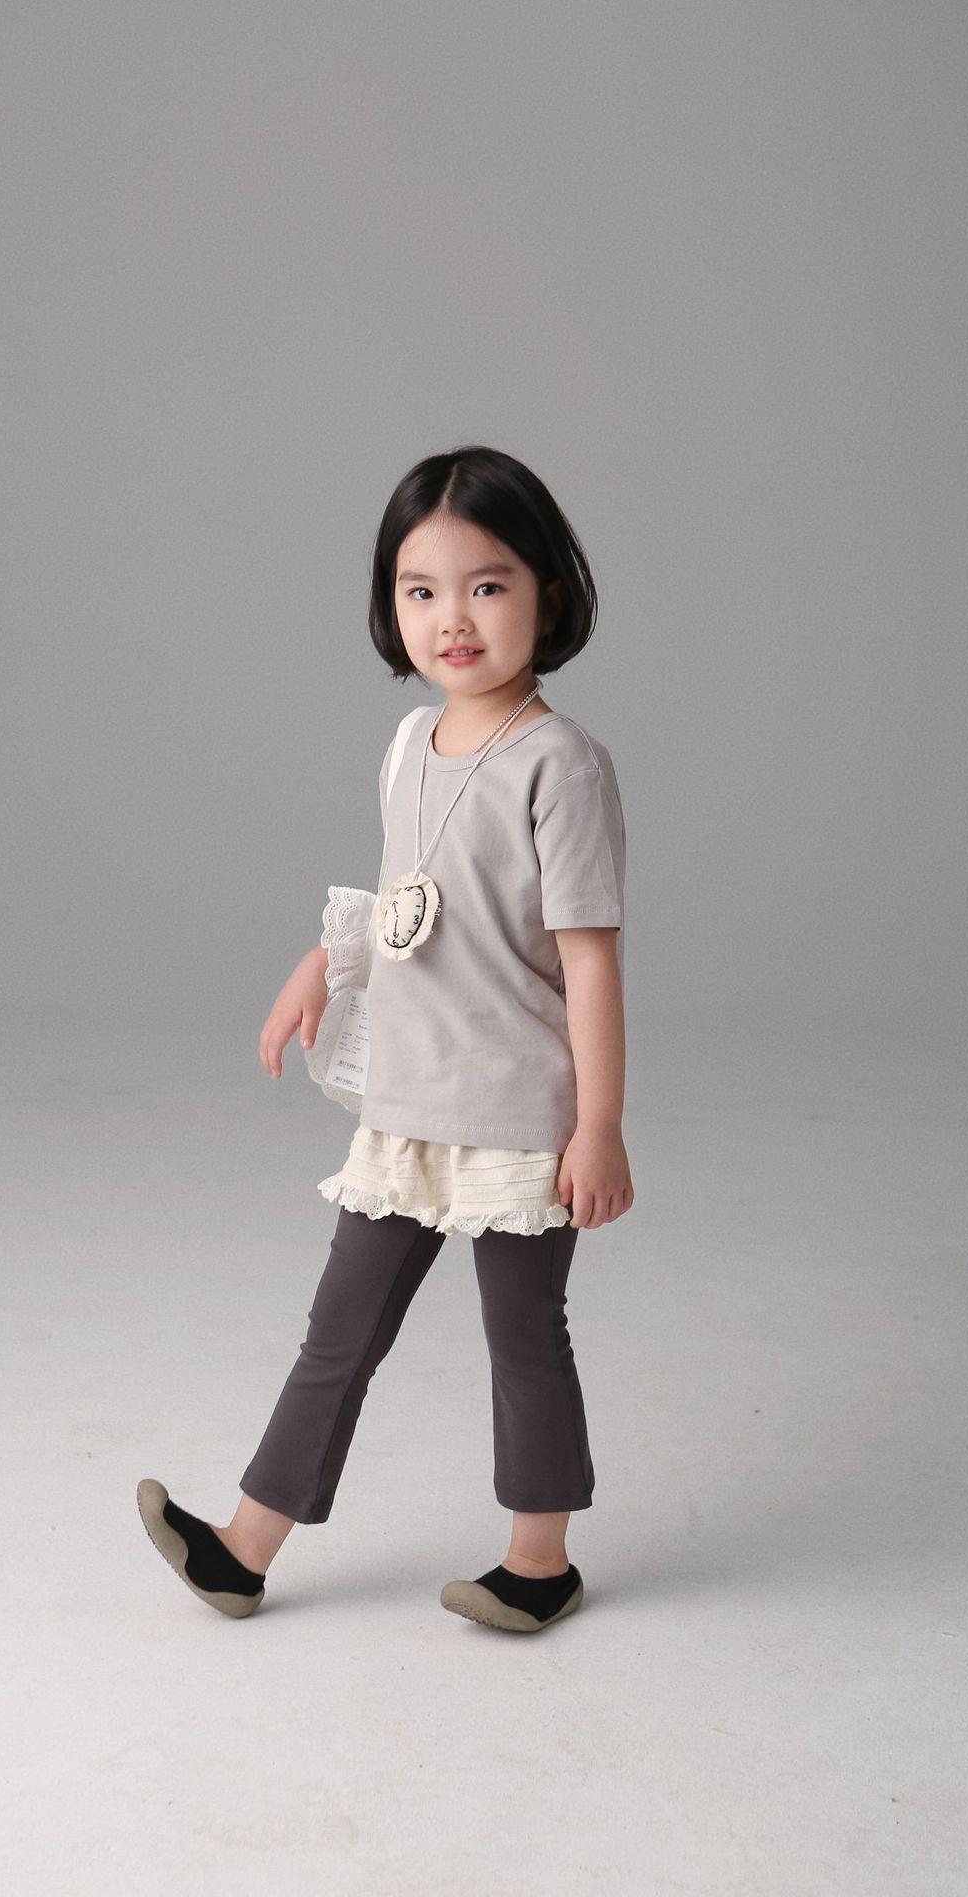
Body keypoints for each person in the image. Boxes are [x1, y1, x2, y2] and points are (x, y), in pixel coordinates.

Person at [137, 444, 633, 1634]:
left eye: (486, 585)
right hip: (407, 1102)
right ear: (390, 604)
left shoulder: (559, 765)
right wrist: (323, 963)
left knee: (522, 1338)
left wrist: (599, 1125)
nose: (451, 618)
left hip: (518, 1112)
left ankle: (538, 1561)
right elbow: (406, 894)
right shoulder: (410, 745)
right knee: (339, 1331)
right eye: (421, 589)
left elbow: (588, 960)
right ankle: (242, 1548)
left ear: (547, 594)